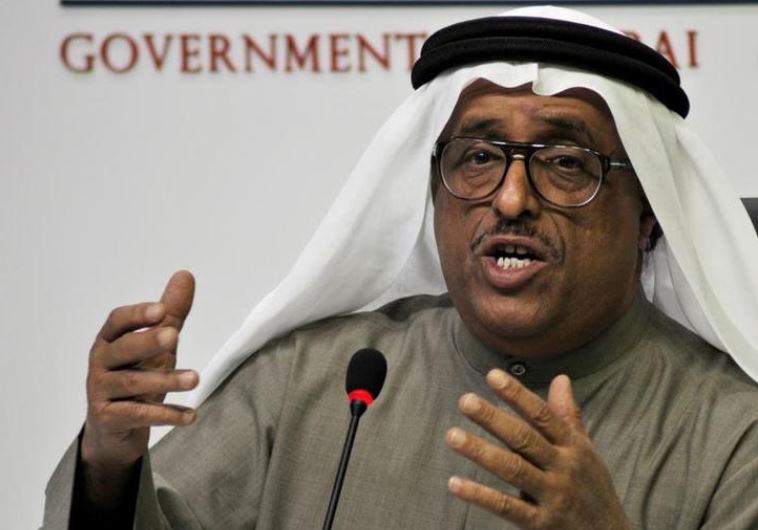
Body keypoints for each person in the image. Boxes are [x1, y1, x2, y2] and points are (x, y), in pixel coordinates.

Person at [43, 7, 758, 530]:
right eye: (478, 158)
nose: (511, 199)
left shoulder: (734, 435)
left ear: (649, 214)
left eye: (566, 164)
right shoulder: (314, 381)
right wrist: (109, 466)